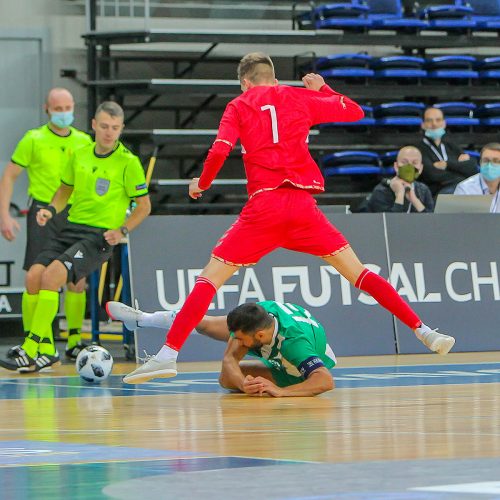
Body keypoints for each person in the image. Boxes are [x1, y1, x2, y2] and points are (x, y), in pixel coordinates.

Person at [123, 52, 455, 385]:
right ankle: (424, 331)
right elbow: (354, 112)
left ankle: (167, 354)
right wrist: (323, 88)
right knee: (360, 274)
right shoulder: (299, 96)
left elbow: (220, 149)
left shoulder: (239, 104)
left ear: (244, 82)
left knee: (208, 281)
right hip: (302, 206)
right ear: (275, 79)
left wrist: (202, 184)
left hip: (265, 207)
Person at [0, 101, 151, 372]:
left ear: (121, 129)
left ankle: (30, 347)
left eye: (115, 128)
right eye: (104, 126)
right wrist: (49, 210)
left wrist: (122, 230)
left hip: (99, 236)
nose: (109, 132)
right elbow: (65, 191)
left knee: (52, 277)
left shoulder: (128, 163)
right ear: (94, 125)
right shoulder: (80, 153)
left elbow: (144, 206)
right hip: (72, 227)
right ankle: (46, 351)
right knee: (33, 275)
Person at [0, 88, 93, 360]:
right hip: (43, 211)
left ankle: (75, 340)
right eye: (58, 108)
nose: (64, 113)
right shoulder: (34, 139)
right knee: (36, 276)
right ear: (47, 109)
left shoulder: (84, 141)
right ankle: (37, 341)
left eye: (68, 108)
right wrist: (4, 214)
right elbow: (10, 176)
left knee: (77, 278)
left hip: (75, 213)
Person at [107, 300, 335, 397]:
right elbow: (229, 361)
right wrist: (244, 385)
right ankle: (141, 319)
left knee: (226, 381)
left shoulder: (295, 346)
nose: (237, 343)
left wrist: (282, 392)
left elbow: (325, 381)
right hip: (276, 339)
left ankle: (143, 319)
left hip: (292, 369)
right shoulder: (258, 314)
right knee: (205, 324)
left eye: (242, 339)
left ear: (260, 335)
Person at [416, 107, 477, 197]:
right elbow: (432, 175)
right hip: (434, 194)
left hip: (457, 188)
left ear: (444, 123)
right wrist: (459, 170)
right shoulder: (418, 148)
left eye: (438, 120)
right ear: (423, 125)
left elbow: (472, 167)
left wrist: (447, 165)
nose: (434, 124)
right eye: (429, 120)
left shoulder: (451, 146)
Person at [365, 146, 434, 213]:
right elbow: (389, 223)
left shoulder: (424, 190)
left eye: (414, 163)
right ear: (396, 166)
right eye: (404, 162)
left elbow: (432, 221)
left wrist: (414, 200)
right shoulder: (381, 191)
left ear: (421, 168)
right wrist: (399, 195)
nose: (409, 166)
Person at [454, 143, 500, 213]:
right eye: (486, 160)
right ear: (480, 163)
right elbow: (456, 220)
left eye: (496, 161)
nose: (490, 165)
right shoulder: (464, 189)